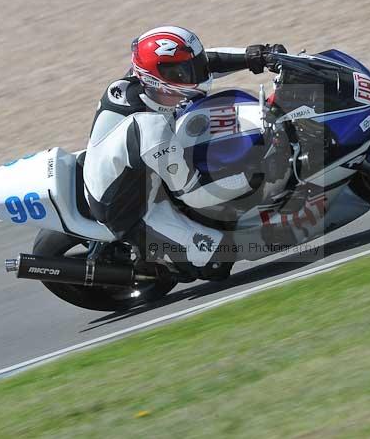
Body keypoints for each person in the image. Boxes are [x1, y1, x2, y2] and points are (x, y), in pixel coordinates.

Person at [83, 25, 286, 281]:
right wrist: (256, 172)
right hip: (136, 208)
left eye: (191, 67)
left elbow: (205, 61)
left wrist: (255, 56)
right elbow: (194, 194)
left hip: (140, 168)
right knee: (218, 260)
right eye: (182, 71)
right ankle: (152, 262)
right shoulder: (150, 129)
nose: (196, 74)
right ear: (160, 78)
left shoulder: (140, 81)